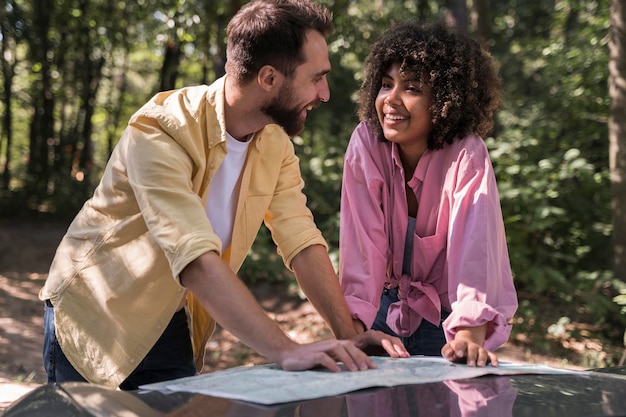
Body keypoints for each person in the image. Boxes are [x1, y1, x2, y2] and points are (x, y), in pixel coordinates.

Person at [40, 0, 408, 391]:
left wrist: (346, 331)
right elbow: (194, 257)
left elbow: (299, 239)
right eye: (316, 77)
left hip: (172, 325)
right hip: (97, 318)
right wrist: (285, 349)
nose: (325, 93)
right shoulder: (160, 131)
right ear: (268, 78)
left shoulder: (274, 143)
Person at [338, 21, 518, 367]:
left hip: (449, 325)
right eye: (386, 84)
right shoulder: (366, 144)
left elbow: (475, 249)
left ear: (445, 100)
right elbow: (361, 248)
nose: (391, 99)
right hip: (381, 318)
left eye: (412, 88)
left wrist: (468, 335)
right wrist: (353, 331)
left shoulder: (466, 154)